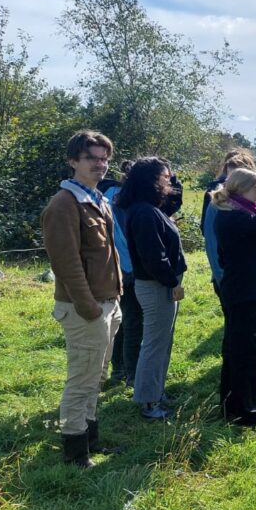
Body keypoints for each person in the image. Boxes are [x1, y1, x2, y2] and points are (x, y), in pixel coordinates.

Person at [41, 130, 124, 467]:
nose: (100, 164)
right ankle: (75, 455)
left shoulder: (96, 198)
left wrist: (112, 301)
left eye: (104, 158)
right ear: (73, 160)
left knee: (97, 377)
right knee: (81, 381)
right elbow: (66, 263)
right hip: (85, 308)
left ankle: (91, 441)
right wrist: (89, 307)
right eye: (92, 158)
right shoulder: (64, 204)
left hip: (107, 303)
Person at [211, 169, 256, 426]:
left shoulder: (235, 213)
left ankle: (232, 404)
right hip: (245, 292)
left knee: (237, 349)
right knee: (248, 351)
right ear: (241, 189)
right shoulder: (234, 218)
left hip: (242, 289)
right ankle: (245, 410)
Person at [118, 157, 186, 420]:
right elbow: (153, 257)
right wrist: (172, 283)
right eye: (165, 176)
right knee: (155, 344)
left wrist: (173, 177)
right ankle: (148, 402)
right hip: (157, 286)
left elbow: (173, 200)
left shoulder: (149, 207)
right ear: (151, 180)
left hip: (160, 285)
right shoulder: (144, 212)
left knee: (161, 342)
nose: (168, 180)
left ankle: (155, 392)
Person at [202, 150, 256, 346]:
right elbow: (212, 241)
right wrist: (219, 273)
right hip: (240, 280)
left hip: (254, 272)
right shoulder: (224, 208)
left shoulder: (253, 204)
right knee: (244, 334)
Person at [102, 160, 142, 389]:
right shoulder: (124, 199)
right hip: (128, 268)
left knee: (121, 321)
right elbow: (125, 235)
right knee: (134, 321)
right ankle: (132, 374)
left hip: (111, 268)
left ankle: (118, 370)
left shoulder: (107, 192)